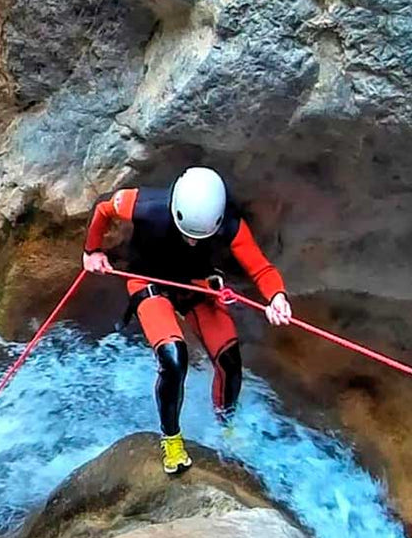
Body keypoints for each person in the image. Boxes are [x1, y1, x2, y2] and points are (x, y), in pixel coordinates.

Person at [82, 167, 292, 474]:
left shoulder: (230, 225)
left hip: (196, 285)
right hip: (146, 281)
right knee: (173, 358)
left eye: (200, 237)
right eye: (187, 235)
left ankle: (227, 426)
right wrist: (93, 251)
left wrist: (277, 297)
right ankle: (172, 440)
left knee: (229, 360)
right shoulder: (145, 205)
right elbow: (103, 208)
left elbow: (261, 269)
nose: (192, 242)